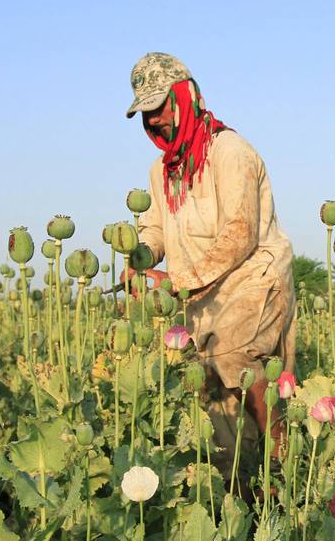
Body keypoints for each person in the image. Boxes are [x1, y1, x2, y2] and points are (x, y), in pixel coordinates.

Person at [124, 52, 296, 471]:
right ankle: (239, 485)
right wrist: (139, 255)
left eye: (158, 108)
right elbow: (155, 228)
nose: (153, 121)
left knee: (235, 358)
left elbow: (239, 234)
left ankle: (281, 452)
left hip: (253, 278)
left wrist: (176, 279)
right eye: (144, 114)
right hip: (199, 293)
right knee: (212, 400)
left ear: (185, 96)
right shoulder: (161, 171)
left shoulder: (229, 151)